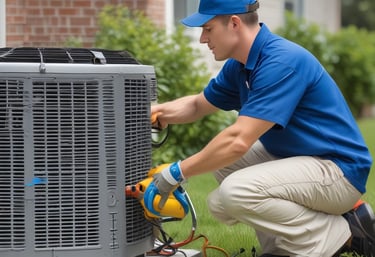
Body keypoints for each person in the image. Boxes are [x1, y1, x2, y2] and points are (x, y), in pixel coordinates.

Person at [144, 0, 375, 256]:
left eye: (208, 29)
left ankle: (334, 233)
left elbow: (238, 140)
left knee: (235, 192)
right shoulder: (241, 65)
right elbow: (199, 105)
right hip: (303, 160)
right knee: (222, 181)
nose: (201, 39)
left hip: (338, 172)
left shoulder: (281, 62)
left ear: (234, 23)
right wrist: (156, 112)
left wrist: (176, 173)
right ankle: (279, 249)